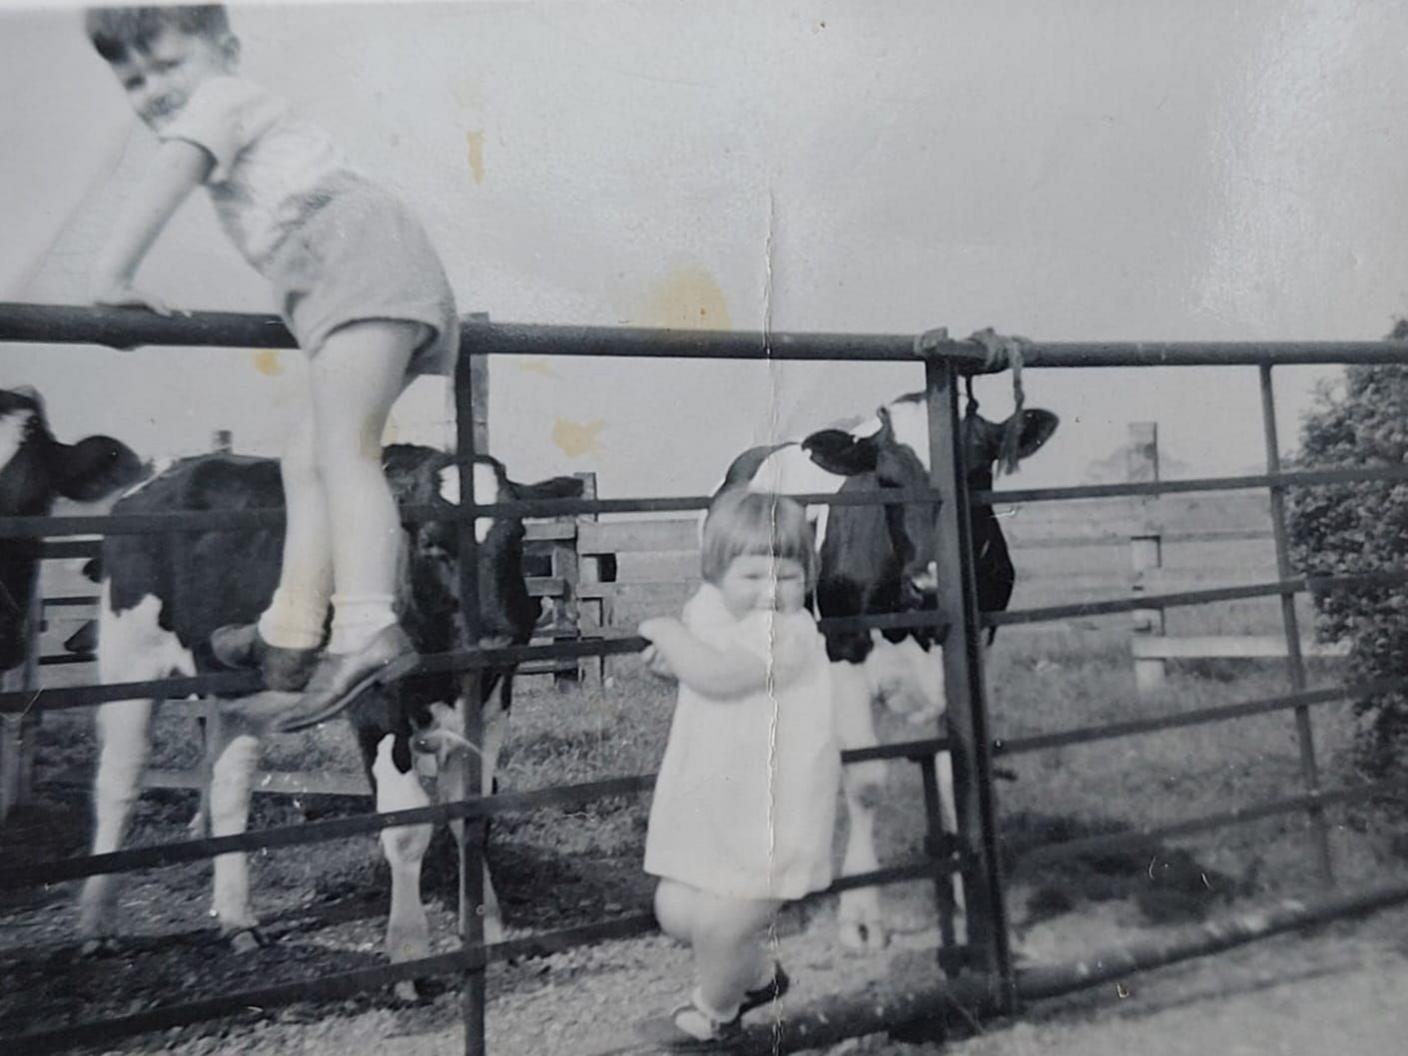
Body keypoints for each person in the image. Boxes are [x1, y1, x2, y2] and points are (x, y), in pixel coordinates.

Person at [83, 5, 458, 731]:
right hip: (357, 268)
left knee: (346, 456)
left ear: (226, 49)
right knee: (307, 459)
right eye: (131, 81)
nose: (153, 89)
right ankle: (289, 633)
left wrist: (110, 276)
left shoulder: (221, 100)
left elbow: (171, 172)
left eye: (167, 65)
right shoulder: (231, 104)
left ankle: (365, 631)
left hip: (354, 260)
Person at [634, 489, 840, 1049]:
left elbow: (721, 676)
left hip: (775, 814)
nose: (772, 592)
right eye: (753, 577)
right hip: (722, 808)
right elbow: (707, 666)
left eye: (789, 577)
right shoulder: (719, 621)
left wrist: (671, 638)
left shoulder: (789, 634)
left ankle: (714, 1014)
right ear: (718, 577)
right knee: (677, 911)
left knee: (724, 924)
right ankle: (754, 978)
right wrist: (674, 661)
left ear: (808, 578)